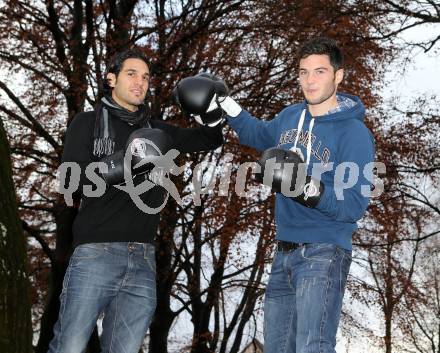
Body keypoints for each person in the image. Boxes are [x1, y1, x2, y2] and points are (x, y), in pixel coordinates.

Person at [174, 37, 375, 353]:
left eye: (319, 72)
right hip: (284, 253)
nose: (309, 80)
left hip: (324, 251)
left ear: (338, 76)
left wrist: (307, 187)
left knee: (314, 346)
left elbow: (354, 205)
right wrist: (225, 102)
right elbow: (256, 133)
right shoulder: (290, 116)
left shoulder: (355, 134)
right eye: (303, 71)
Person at [49, 49, 224, 353]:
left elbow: (208, 139)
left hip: (143, 258)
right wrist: (122, 164)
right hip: (94, 253)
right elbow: (70, 183)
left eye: (145, 77)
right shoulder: (86, 123)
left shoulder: (158, 132)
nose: (140, 82)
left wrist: (211, 108)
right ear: (111, 79)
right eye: (131, 74)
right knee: (69, 347)